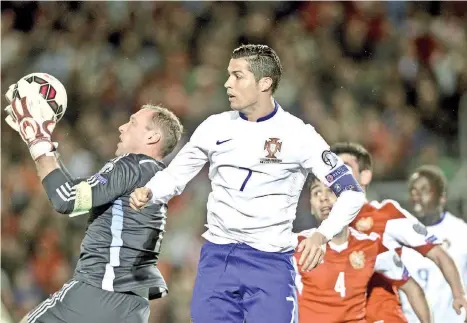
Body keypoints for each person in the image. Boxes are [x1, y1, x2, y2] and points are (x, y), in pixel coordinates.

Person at [129, 44, 366, 322]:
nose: (227, 83)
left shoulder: (299, 135)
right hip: (217, 260)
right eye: (228, 75)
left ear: (264, 83)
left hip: (270, 264)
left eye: (237, 76)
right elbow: (175, 175)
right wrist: (151, 190)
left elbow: (351, 192)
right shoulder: (214, 127)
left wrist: (322, 234)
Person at [5, 82, 183, 323]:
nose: (121, 128)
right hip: (135, 306)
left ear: (152, 136)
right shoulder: (155, 177)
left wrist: (37, 142)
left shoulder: (130, 164)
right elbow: (73, 193)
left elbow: (66, 199)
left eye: (132, 123)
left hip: (99, 291)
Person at [330, 142, 467, 323]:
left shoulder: (386, 215)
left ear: (365, 176)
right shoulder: (323, 225)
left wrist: (459, 295)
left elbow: (438, 253)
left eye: (344, 168)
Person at [294, 175, 432, 323]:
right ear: (311, 207)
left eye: (331, 190)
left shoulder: (372, 247)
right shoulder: (296, 246)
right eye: (316, 193)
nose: (323, 198)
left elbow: (413, 289)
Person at [399, 165, 467, 323]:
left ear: (442, 197)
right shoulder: (397, 232)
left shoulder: (463, 233)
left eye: (425, 190)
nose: (417, 196)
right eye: (413, 191)